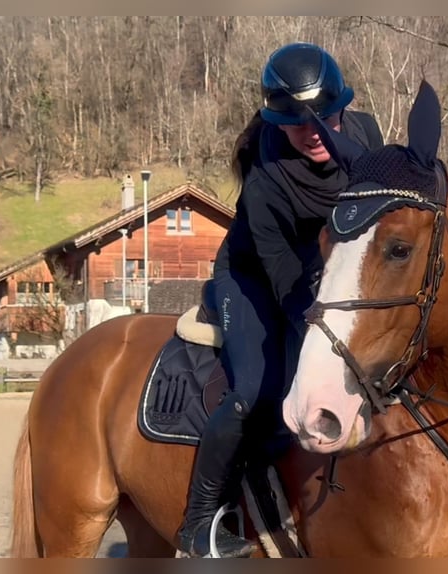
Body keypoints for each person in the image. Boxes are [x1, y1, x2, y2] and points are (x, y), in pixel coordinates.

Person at [175, 41, 384, 558]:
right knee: (255, 390)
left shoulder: (370, 135)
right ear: (275, 121)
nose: (313, 133)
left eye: (326, 119)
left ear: (343, 110)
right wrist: (321, 332)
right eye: (295, 125)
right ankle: (198, 524)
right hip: (255, 278)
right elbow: (285, 278)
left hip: (327, 273)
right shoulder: (266, 180)